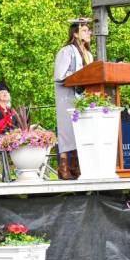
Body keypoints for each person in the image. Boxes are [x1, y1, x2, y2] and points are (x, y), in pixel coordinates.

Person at [53, 17, 94, 180]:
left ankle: (76, 165)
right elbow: (60, 75)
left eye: (89, 30)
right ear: (76, 34)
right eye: (84, 30)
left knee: (81, 130)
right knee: (67, 130)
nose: (89, 33)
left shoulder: (89, 55)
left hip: (82, 97)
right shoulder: (67, 51)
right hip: (67, 96)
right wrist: (80, 76)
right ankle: (63, 165)